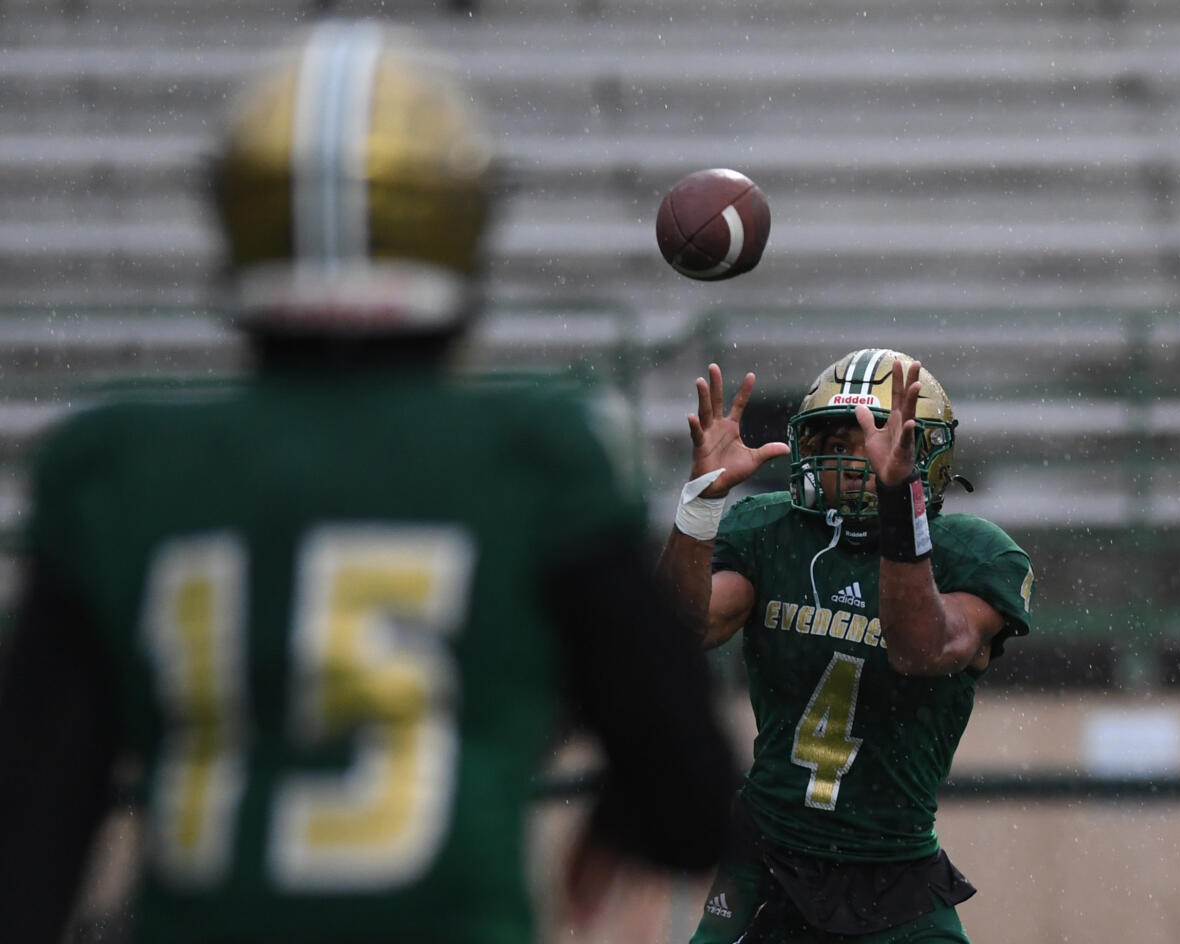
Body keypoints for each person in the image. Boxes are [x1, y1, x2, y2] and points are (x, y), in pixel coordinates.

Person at [0, 20, 735, 944]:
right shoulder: (530, 457)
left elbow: (29, 845)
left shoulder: (111, 466)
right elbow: (691, 801)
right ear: (457, 219)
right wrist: (612, 821)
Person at [658, 350, 1035, 943]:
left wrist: (897, 504)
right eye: (833, 438)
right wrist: (701, 501)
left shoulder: (972, 553)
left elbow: (921, 649)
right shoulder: (769, 531)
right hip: (767, 855)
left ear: (925, 451)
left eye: (871, 438)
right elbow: (681, 633)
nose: (851, 457)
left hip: (894, 872)